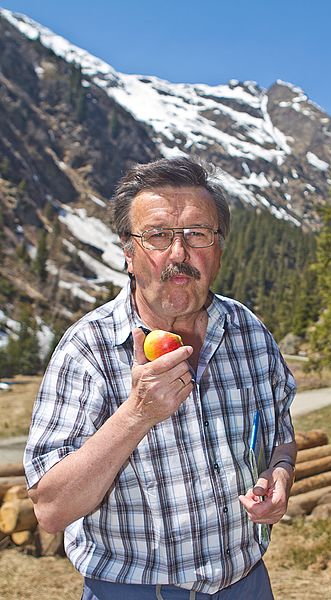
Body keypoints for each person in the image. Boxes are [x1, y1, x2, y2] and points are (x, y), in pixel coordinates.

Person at [24, 156, 297, 600]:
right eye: (157, 236)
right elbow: (51, 510)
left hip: (247, 583)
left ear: (218, 249)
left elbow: (281, 435)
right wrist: (136, 414)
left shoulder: (249, 331)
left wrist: (281, 473)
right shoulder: (87, 348)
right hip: (132, 591)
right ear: (129, 253)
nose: (179, 254)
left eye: (197, 234)